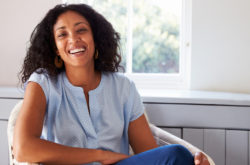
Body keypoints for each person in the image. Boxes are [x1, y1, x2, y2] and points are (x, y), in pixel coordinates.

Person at [13, 3, 210, 165]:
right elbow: (23, 149)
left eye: (81, 30)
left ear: (96, 39)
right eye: (62, 34)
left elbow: (150, 155)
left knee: (176, 154)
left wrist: (189, 162)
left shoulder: (123, 87)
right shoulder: (43, 82)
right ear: (55, 48)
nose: (73, 39)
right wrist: (100, 155)